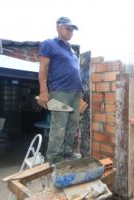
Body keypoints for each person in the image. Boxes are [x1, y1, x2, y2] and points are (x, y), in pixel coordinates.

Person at [37, 17, 82, 164]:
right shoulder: (49, 44)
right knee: (59, 125)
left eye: (72, 30)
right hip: (60, 91)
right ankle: (54, 158)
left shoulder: (71, 50)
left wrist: (79, 95)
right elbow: (43, 68)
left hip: (75, 92)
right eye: (67, 28)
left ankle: (67, 151)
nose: (70, 32)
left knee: (72, 124)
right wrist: (44, 91)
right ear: (58, 27)